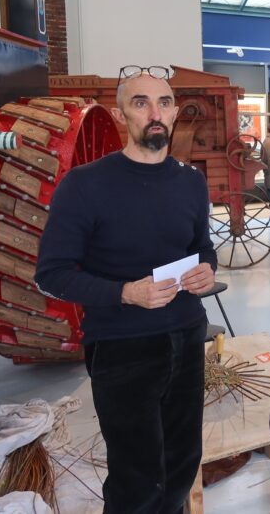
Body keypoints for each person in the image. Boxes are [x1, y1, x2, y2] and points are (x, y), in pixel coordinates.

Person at [35, 65, 218, 514]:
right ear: (122, 117)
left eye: (164, 103)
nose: (154, 113)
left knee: (181, 461)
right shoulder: (85, 186)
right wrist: (125, 294)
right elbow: (51, 273)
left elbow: (203, 248)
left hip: (187, 334)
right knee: (137, 473)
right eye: (140, 103)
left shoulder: (190, 181)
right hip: (122, 346)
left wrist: (207, 272)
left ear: (175, 114)